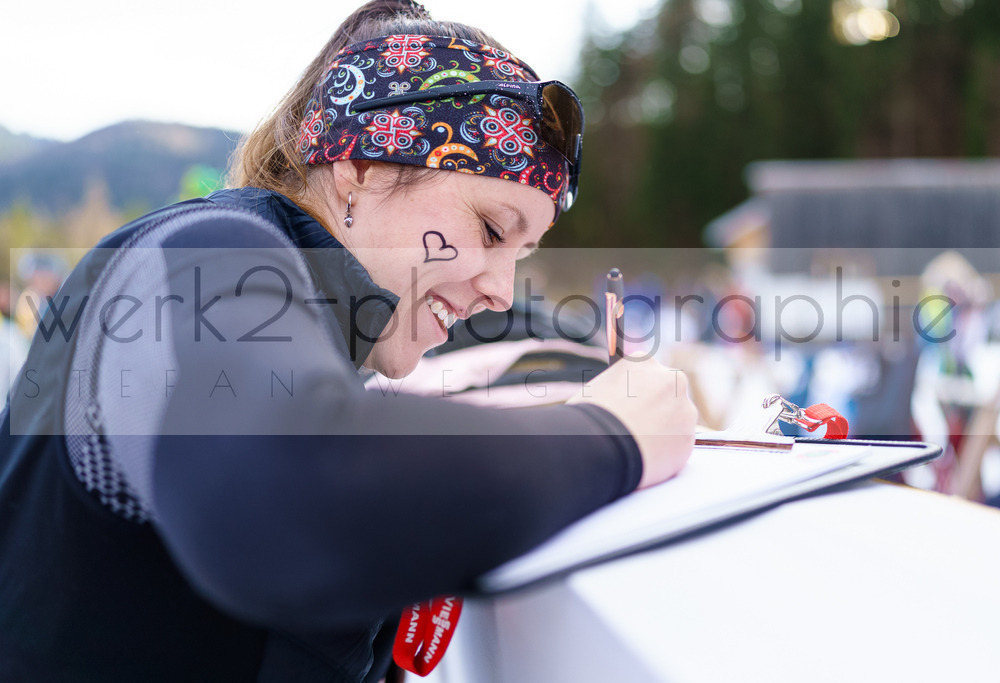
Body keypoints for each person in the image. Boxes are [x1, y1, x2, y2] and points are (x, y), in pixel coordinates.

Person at [0, 1, 696, 681]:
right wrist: (613, 438)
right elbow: (298, 490)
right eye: (490, 229)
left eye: (522, 252)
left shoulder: (318, 332)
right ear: (362, 166)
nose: (500, 289)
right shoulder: (202, 255)